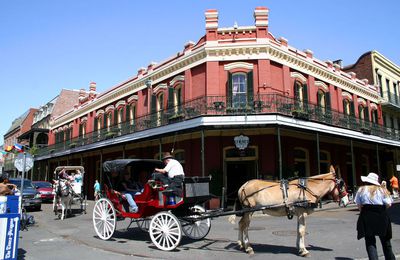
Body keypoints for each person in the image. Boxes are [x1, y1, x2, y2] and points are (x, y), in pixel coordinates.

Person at [355, 172, 395, 260]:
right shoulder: (382, 190)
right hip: (381, 215)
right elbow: (389, 204)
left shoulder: (361, 190)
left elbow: (358, 205)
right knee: (386, 242)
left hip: (367, 215)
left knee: (370, 242)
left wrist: (365, 211)